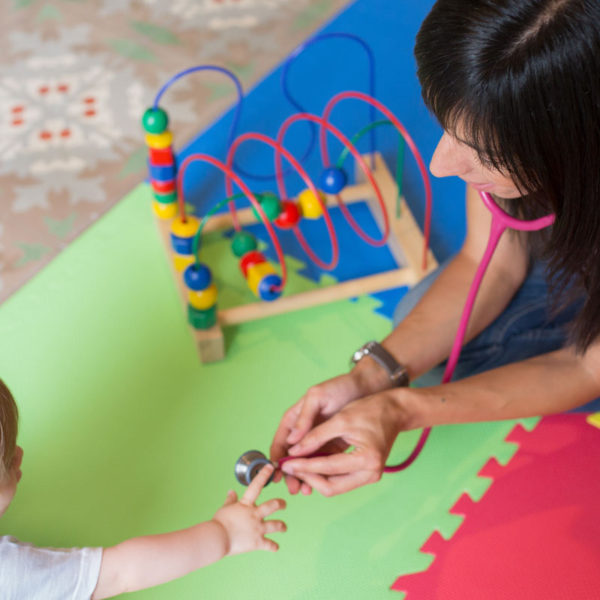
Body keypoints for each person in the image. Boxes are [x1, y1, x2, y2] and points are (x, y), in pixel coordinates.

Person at [270, 0, 600, 497]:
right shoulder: (523, 112)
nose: (439, 164)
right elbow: (485, 264)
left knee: (448, 365)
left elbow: (586, 368)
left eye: (482, 153)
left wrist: (402, 409)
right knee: (416, 327)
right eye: (447, 127)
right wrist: (370, 377)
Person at [0, 378, 286, 599]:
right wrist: (225, 534)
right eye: (9, 457)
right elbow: (122, 571)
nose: (19, 453)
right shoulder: (14, 574)